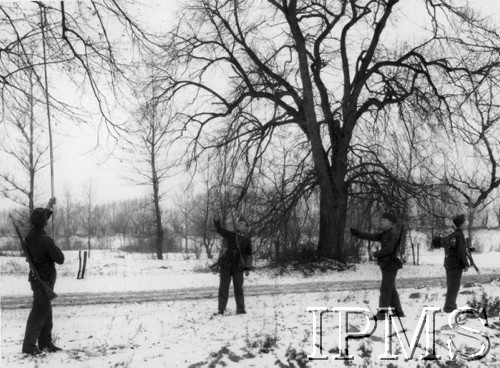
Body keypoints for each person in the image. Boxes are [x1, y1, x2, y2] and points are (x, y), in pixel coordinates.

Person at [22, 197, 65, 355]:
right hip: (44, 281)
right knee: (39, 313)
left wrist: (48, 207)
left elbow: (40, 219)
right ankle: (28, 346)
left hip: (37, 279)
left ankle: (45, 343)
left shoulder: (30, 237)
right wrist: (54, 245)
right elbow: (60, 259)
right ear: (44, 224)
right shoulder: (46, 241)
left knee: (45, 311)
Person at [350, 212, 404, 320]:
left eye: (384, 220)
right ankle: (398, 312)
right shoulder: (384, 234)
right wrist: (357, 233)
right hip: (386, 265)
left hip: (390, 265)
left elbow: (389, 249)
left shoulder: (393, 235)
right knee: (390, 289)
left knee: (385, 290)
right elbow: (371, 236)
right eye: (382, 220)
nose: (381, 222)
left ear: (391, 223)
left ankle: (382, 314)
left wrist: (375, 254)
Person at [213, 216, 253, 315]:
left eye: (242, 223)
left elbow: (249, 255)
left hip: (238, 267)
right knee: (223, 288)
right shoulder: (231, 235)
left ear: (246, 228)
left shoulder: (247, 240)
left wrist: (247, 268)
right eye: (239, 223)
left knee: (238, 288)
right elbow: (221, 231)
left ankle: (240, 309)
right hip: (226, 265)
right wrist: (217, 224)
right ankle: (221, 310)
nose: (239, 224)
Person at [443, 214, 469, 313]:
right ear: (461, 224)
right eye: (464, 222)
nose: (466, 224)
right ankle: (450, 307)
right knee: (454, 286)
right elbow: (461, 251)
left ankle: (450, 305)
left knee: (451, 285)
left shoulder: (452, 235)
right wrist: (465, 264)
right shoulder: (460, 235)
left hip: (448, 263)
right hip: (455, 264)